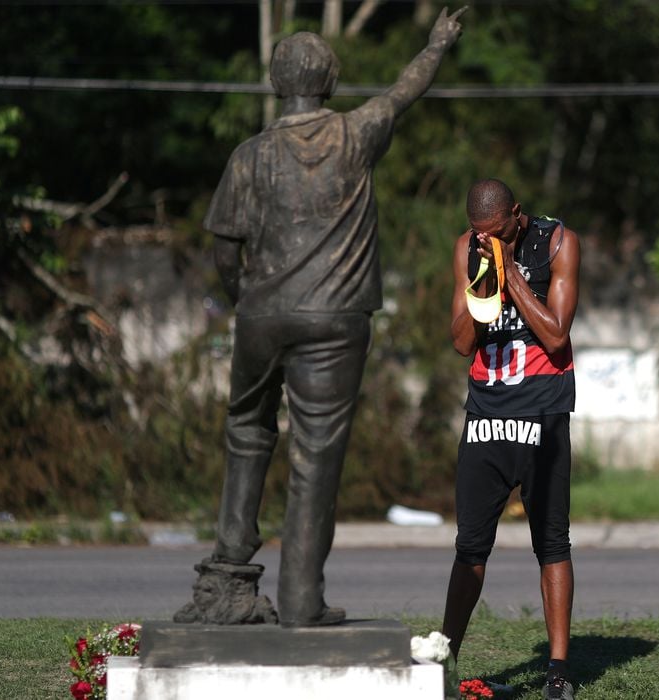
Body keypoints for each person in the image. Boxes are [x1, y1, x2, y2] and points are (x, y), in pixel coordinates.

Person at [199, 9, 466, 628]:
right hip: (336, 319)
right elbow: (406, 90)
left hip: (261, 315)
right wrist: (436, 43)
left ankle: (227, 583)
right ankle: (300, 599)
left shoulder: (249, 155)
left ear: (274, 82)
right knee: (315, 456)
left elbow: (222, 244)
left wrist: (247, 297)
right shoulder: (355, 133)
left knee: (246, 432)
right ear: (332, 81)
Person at [441, 179, 581, 699]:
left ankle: (559, 670)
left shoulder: (559, 242)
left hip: (543, 413)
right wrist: (484, 278)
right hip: (487, 414)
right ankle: (444, 661)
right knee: (470, 546)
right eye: (480, 235)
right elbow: (459, 342)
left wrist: (512, 276)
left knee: (552, 543)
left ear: (516, 217)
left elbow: (556, 333)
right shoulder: (468, 248)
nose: (485, 242)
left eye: (495, 234)